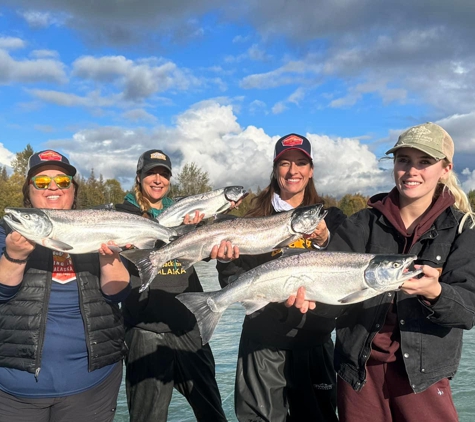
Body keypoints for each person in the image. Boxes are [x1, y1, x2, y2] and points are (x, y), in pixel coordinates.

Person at [322, 122, 475, 421]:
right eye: (403, 160)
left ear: (445, 169)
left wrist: (436, 292)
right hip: (357, 372)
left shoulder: (463, 229)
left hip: (424, 378)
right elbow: (330, 298)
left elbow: (468, 311)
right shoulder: (359, 224)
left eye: (424, 162)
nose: (412, 171)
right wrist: (306, 302)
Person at [215, 133, 346, 422]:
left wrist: (325, 241)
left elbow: (349, 271)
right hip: (263, 343)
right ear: (275, 170)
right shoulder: (250, 221)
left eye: (301, 163)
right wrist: (225, 261)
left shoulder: (333, 219)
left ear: (311, 171)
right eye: (285, 163)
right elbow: (231, 280)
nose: (292, 171)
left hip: (315, 342)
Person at [0, 150, 130, 422]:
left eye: (62, 182)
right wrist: (14, 256)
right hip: (14, 389)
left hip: (94, 384)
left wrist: (110, 258)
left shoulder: (99, 227)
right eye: (42, 182)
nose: (52, 189)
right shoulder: (6, 233)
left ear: (73, 190)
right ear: (29, 191)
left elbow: (118, 293)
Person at [116, 149, 227, 422]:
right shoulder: (122, 214)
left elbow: (204, 252)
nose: (157, 179)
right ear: (139, 177)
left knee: (212, 413)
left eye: (164, 174)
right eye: (151, 173)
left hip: (189, 325)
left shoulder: (187, 213)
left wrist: (209, 240)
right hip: (145, 330)